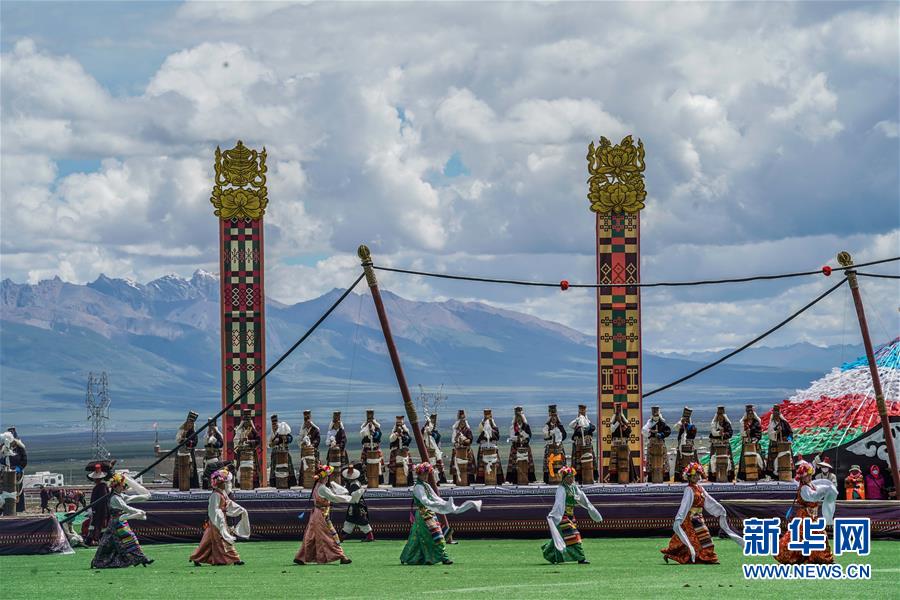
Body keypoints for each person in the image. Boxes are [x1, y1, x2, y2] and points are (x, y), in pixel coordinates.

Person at [400, 462, 482, 565]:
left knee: (421, 537)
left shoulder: (426, 485)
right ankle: (443, 557)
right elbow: (425, 501)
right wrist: (439, 505)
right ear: (419, 475)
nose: (425, 476)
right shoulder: (418, 487)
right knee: (435, 535)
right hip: (423, 515)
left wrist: (445, 504)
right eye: (423, 474)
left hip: (429, 514)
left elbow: (435, 498)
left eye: (427, 474)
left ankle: (412, 557)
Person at [660, 462, 742, 564]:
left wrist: (720, 509)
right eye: (694, 475)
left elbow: (709, 500)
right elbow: (685, 505)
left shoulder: (700, 488)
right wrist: (680, 518)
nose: (696, 477)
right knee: (695, 540)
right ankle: (704, 558)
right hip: (690, 520)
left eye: (698, 475)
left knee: (702, 539)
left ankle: (705, 557)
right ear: (689, 477)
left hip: (698, 517)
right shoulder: (689, 490)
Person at [294, 465, 361, 565]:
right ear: (324, 477)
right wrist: (350, 499)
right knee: (331, 535)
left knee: (311, 536)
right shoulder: (322, 488)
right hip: (321, 515)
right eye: (327, 476)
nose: (328, 478)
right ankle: (342, 556)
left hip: (316, 514)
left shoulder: (318, 487)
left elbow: (331, 495)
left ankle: (301, 557)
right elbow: (334, 498)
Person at [775, 460, 837, 564]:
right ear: (802, 477)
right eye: (807, 475)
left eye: (809, 475)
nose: (809, 477)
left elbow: (818, 490)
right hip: (805, 517)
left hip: (812, 517)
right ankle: (818, 558)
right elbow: (813, 497)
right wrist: (824, 490)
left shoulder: (810, 485)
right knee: (800, 537)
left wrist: (828, 488)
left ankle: (822, 558)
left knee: (817, 536)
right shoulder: (804, 488)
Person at [542, 466, 603, 564]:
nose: (571, 479)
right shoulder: (561, 489)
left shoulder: (574, 488)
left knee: (562, 537)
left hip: (571, 516)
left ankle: (550, 554)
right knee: (574, 535)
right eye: (568, 477)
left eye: (572, 477)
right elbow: (558, 504)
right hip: (563, 516)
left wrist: (593, 512)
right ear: (564, 478)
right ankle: (581, 558)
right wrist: (554, 515)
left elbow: (584, 499)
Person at [90, 472, 153, 568]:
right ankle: (142, 558)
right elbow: (126, 508)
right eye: (121, 485)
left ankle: (98, 561)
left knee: (107, 543)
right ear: (115, 487)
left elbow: (131, 498)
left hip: (120, 521)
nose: (123, 487)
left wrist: (145, 496)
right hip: (117, 523)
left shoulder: (119, 496)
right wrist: (139, 511)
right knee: (130, 538)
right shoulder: (115, 498)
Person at [190, 468, 249, 566]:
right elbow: (213, 510)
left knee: (207, 542)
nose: (227, 484)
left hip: (219, 520)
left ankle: (197, 557)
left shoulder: (223, 493)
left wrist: (240, 509)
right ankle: (234, 559)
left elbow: (228, 504)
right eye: (225, 482)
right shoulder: (215, 495)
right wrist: (220, 519)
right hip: (216, 522)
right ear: (220, 483)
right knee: (223, 540)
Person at [340, 464, 373, 542]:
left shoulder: (354, 485)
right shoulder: (354, 483)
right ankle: (341, 536)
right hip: (356, 504)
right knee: (351, 521)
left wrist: (346, 495)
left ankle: (342, 537)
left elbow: (354, 495)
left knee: (359, 520)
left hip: (357, 504)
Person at [84, 460, 115, 546]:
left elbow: (103, 501)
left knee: (99, 525)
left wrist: (103, 513)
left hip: (100, 511)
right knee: (96, 525)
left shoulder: (101, 487)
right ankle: (94, 539)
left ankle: (96, 539)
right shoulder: (100, 486)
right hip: (98, 510)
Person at [506, 406, 536, 484]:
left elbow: (529, 435)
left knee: (527, 462)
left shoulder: (526, 426)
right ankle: (514, 479)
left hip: (525, 447)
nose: (519, 419)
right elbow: (512, 437)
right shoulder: (513, 427)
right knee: (515, 463)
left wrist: (523, 434)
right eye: (517, 417)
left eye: (520, 417)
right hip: (516, 447)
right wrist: (518, 438)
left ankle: (528, 478)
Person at [642, 406, 671, 483]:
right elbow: (644, 431)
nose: (656, 417)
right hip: (652, 444)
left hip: (660, 444)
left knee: (662, 460)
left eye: (657, 415)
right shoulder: (649, 423)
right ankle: (652, 478)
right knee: (651, 461)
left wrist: (661, 434)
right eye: (654, 415)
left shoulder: (662, 423)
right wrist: (650, 433)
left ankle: (663, 477)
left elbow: (668, 431)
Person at [570, 404, 598, 484]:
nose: (582, 412)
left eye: (583, 411)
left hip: (587, 443)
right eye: (580, 411)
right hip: (578, 444)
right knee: (578, 461)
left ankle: (590, 477)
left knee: (588, 460)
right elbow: (571, 425)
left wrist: (586, 425)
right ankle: (579, 478)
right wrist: (578, 420)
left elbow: (592, 428)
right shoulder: (576, 422)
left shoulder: (588, 422)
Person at [0, 430, 27, 513]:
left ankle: (17, 508)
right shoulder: (5, 447)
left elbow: (24, 461)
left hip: (17, 471)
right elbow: (3, 459)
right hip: (6, 470)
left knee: (16, 489)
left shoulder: (20, 449)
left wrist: (18, 468)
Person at [233, 409, 261, 489]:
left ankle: (253, 484)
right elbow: (235, 441)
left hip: (251, 454)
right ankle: (241, 484)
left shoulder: (253, 431)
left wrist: (249, 442)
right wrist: (241, 441)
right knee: (241, 468)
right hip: (242, 454)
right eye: (245, 422)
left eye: (248, 422)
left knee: (252, 469)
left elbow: (258, 440)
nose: (246, 423)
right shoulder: (240, 431)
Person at [765, 405, 793, 480]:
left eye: (777, 414)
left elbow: (790, 432)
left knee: (785, 458)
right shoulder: (772, 424)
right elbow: (770, 433)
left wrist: (789, 439)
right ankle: (774, 476)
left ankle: (786, 474)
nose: (776, 416)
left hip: (784, 444)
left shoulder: (784, 423)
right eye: (775, 414)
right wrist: (776, 432)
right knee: (774, 460)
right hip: (775, 444)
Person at [476, 409, 504, 484]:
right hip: (484, 446)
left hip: (492, 447)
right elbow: (481, 434)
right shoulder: (482, 424)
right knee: (483, 463)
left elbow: (497, 436)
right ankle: (482, 480)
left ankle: (496, 479)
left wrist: (491, 430)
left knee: (495, 462)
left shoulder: (494, 425)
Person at [174, 411, 200, 490]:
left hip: (189, 452)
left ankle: (192, 485)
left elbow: (195, 442)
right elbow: (178, 440)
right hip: (181, 452)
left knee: (191, 468)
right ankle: (178, 484)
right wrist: (182, 439)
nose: (189, 425)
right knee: (179, 468)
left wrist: (188, 441)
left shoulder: (193, 433)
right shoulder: (181, 431)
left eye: (191, 424)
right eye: (188, 423)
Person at [268, 415, 297, 488]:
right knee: (274, 468)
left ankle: (289, 482)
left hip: (284, 452)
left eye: (275, 424)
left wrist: (285, 438)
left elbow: (290, 438)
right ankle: (275, 483)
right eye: (273, 424)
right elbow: (269, 444)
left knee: (287, 467)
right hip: (275, 453)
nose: (274, 426)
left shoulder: (282, 429)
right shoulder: (272, 433)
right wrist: (273, 443)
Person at [708, 406, 734, 482]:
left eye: (721, 416)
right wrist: (719, 433)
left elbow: (730, 433)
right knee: (714, 460)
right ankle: (713, 476)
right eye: (719, 416)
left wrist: (724, 434)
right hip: (716, 446)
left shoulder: (727, 424)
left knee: (727, 460)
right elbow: (713, 433)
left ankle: (728, 476)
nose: (720, 417)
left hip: (725, 445)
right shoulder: (714, 424)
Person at [737, 405, 764, 481]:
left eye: (751, 414)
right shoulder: (743, 422)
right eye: (749, 414)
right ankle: (744, 476)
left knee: (757, 458)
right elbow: (742, 433)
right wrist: (746, 433)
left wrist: (755, 438)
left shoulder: (756, 423)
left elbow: (759, 433)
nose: (750, 415)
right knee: (744, 460)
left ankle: (759, 475)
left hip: (755, 443)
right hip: (746, 443)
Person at [542, 405, 567, 483]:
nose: (553, 418)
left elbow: (565, 435)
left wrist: (559, 439)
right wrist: (550, 435)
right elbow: (545, 436)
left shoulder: (560, 425)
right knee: (549, 463)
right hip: (550, 448)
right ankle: (549, 479)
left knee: (561, 461)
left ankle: (561, 478)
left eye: (555, 416)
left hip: (558, 447)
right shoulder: (547, 426)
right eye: (552, 416)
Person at [450, 409, 476, 485]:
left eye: (463, 422)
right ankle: (457, 480)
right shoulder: (456, 430)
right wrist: (457, 442)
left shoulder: (468, 430)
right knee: (457, 464)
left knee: (468, 465)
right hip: (458, 450)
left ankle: (468, 480)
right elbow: (453, 440)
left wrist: (464, 441)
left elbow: (470, 439)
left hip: (466, 450)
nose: (462, 423)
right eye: (461, 422)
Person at [673, 407, 698, 482]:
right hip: (681, 446)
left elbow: (693, 433)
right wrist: (681, 423)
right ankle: (681, 477)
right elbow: (675, 427)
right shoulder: (681, 425)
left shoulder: (692, 427)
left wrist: (686, 425)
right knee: (681, 462)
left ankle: (692, 477)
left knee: (691, 462)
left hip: (689, 447)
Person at [360, 410, 384, 486]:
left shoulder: (377, 427)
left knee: (378, 463)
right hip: (367, 448)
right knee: (366, 465)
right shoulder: (364, 427)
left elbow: (379, 435)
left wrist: (373, 432)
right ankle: (368, 480)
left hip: (375, 448)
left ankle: (379, 481)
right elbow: (362, 435)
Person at [388, 415, 413, 486]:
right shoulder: (394, 433)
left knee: (407, 466)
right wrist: (396, 434)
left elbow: (409, 440)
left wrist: (402, 435)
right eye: (398, 424)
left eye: (400, 424)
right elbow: (391, 439)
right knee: (394, 467)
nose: (399, 426)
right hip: (395, 452)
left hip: (404, 452)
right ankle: (394, 482)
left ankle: (408, 481)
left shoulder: (406, 432)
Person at [422, 413, 447, 484]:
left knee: (437, 465)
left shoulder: (435, 431)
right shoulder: (425, 429)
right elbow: (422, 435)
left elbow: (437, 436)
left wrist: (431, 434)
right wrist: (426, 429)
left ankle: (439, 480)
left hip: (435, 450)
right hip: (428, 450)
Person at [325, 411, 350, 479]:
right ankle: (329, 481)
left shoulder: (342, 431)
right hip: (332, 452)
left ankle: (343, 480)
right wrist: (331, 443)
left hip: (341, 452)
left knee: (343, 467)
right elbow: (327, 442)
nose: (337, 425)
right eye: (336, 423)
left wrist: (338, 446)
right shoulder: (330, 432)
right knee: (329, 467)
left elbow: (344, 440)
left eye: (338, 423)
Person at [203, 417, 225, 489]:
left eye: (212, 426)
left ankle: (215, 485)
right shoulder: (206, 435)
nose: (211, 428)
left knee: (216, 472)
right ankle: (209, 485)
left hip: (216, 456)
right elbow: (206, 444)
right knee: (207, 471)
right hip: (208, 456)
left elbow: (220, 444)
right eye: (210, 426)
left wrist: (213, 440)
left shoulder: (218, 435)